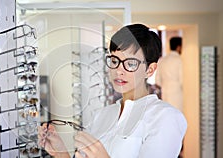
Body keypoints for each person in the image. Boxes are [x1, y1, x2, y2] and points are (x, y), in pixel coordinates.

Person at [38, 24, 187, 158]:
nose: (118, 71)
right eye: (114, 61)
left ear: (150, 69)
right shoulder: (101, 116)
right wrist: (61, 153)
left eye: (130, 63)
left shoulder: (166, 118)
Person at [155, 37, 183, 112]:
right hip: (177, 91)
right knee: (177, 114)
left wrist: (164, 85)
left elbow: (157, 80)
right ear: (179, 47)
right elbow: (182, 80)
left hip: (165, 90)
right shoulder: (179, 60)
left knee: (167, 113)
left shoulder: (162, 60)